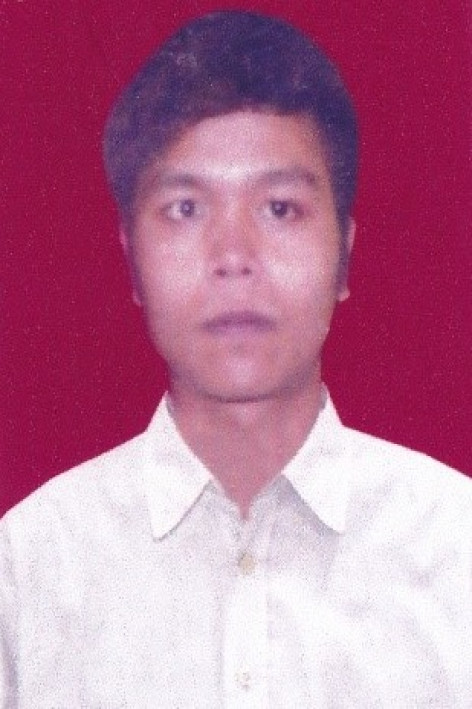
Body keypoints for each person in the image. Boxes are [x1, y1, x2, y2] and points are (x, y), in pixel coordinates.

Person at [1, 10, 471, 707]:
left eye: (280, 208)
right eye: (185, 209)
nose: (233, 257)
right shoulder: (29, 570)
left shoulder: (456, 548)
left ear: (345, 254)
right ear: (131, 261)